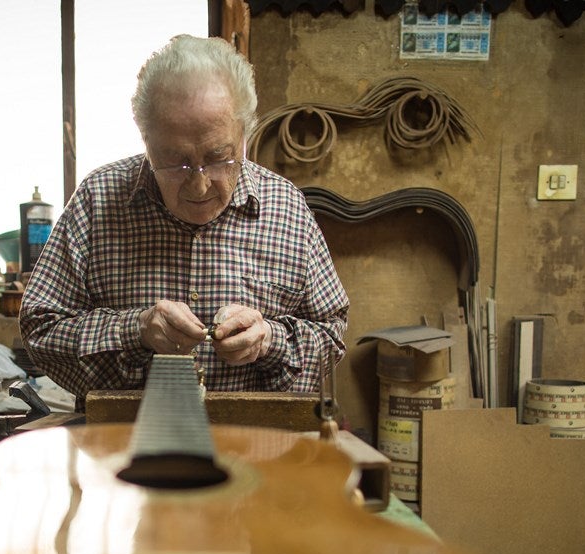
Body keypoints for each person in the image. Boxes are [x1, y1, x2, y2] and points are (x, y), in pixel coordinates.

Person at [19, 34, 348, 409]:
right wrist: (135, 330)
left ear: (244, 134)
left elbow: (331, 334)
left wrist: (269, 340)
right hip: (122, 447)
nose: (199, 183)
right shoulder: (98, 200)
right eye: (176, 161)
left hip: (257, 450)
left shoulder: (286, 209)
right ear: (146, 139)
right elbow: (40, 330)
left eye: (219, 157)